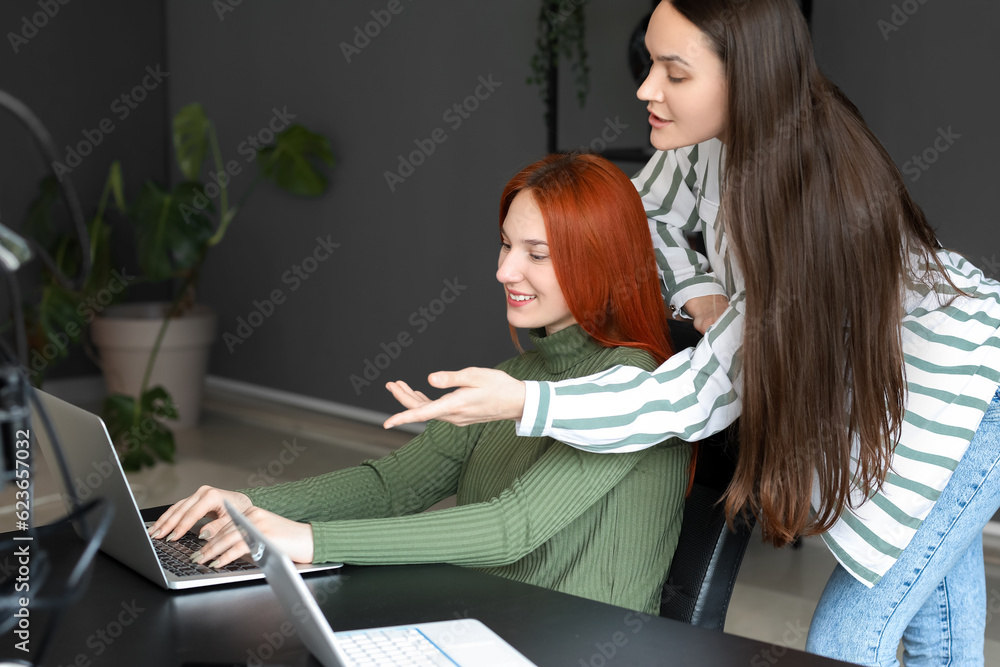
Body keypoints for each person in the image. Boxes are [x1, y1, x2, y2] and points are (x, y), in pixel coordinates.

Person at [382, 1, 1000, 665]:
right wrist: (697, 289)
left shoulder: (808, 200)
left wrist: (522, 402)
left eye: (675, 72)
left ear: (747, 78)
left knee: (847, 642)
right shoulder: (715, 137)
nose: (647, 88)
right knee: (937, 630)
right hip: (918, 391)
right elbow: (644, 215)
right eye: (651, 61)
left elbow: (691, 395)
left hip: (969, 391)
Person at [148, 153, 692, 615]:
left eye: (537, 255)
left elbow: (511, 528)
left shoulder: (633, 391)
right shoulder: (517, 377)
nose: (504, 271)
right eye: (506, 245)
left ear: (602, 263)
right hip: (487, 623)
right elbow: (393, 487)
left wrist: (310, 540)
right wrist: (249, 505)